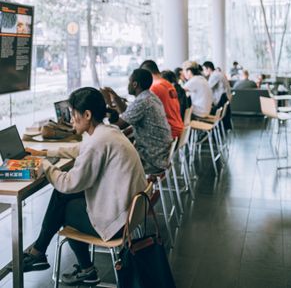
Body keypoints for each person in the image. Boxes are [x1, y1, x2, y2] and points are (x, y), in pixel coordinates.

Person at [23, 87, 147, 286]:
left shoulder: (98, 141)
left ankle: (68, 262)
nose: (71, 120)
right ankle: (41, 252)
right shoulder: (108, 132)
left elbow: (67, 183)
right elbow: (81, 148)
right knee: (63, 199)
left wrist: (44, 164)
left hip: (117, 223)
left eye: (73, 115)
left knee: (63, 203)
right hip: (130, 214)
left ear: (87, 115)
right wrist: (44, 153)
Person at [103, 68, 173, 174]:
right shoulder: (150, 96)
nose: (128, 85)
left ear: (135, 84)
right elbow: (128, 113)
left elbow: (118, 125)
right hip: (162, 154)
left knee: (110, 163)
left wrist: (108, 106)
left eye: (129, 82)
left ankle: (124, 189)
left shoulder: (142, 102)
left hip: (152, 160)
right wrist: (115, 97)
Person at [140, 60, 183, 139]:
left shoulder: (155, 87)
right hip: (178, 128)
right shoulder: (168, 84)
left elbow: (141, 109)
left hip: (170, 132)